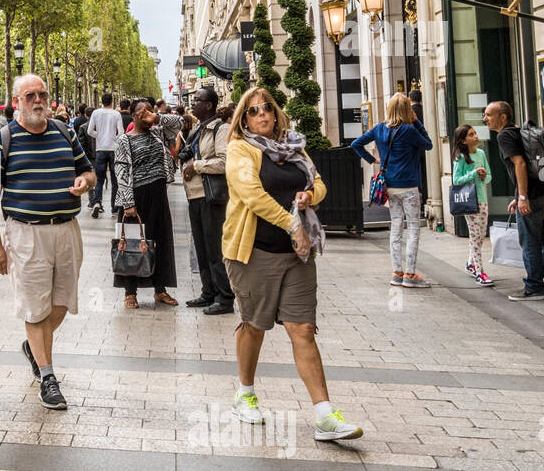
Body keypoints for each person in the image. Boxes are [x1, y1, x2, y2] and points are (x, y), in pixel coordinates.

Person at [223, 88, 362, 441]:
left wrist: (309, 195)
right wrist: (293, 224)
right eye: (254, 111)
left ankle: (324, 414)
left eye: (267, 108)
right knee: (254, 325)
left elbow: (318, 181)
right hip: (254, 251)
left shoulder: (293, 146)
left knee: (302, 329)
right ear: (244, 118)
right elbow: (251, 194)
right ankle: (245, 393)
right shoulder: (240, 148)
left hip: (296, 254)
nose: (262, 115)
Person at [0, 73, 95, 410]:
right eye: (29, 95)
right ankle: (48, 377)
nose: (37, 100)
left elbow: (89, 171)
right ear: (16, 101)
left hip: (66, 231)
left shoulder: (65, 132)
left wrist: (84, 182)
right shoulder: (4, 139)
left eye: (42, 94)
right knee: (34, 308)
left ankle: (33, 347)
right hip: (25, 233)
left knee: (60, 305)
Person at [352, 92, 434, 288]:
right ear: (408, 110)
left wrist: (373, 160)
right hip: (409, 186)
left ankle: (397, 272)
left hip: (389, 186)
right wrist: (417, 122)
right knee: (413, 228)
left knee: (396, 227)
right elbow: (428, 144)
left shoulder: (379, 128)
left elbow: (356, 144)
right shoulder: (409, 130)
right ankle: (410, 274)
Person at [484, 100, 544, 300]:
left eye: (489, 115)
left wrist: (522, 197)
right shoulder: (519, 131)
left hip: (533, 196)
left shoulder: (504, 136)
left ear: (503, 117)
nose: (485, 119)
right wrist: (517, 195)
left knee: (530, 241)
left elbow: (519, 164)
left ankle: (534, 288)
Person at [113, 98, 178, 309]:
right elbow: (121, 172)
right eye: (142, 113)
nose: (147, 115)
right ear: (133, 116)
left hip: (158, 194)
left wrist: (157, 116)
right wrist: (128, 203)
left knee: (161, 240)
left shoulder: (158, 133)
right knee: (133, 242)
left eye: (150, 111)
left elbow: (179, 123)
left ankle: (160, 289)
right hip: (136, 196)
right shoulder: (125, 140)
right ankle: (130, 292)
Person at [182, 86, 235, 314]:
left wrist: (197, 165)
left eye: (197, 100)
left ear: (209, 105)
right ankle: (208, 292)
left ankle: (225, 297)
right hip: (194, 195)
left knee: (214, 248)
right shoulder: (198, 128)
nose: (193, 103)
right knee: (201, 247)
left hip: (210, 196)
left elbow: (225, 162)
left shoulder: (220, 130)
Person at [451, 124, 493, 287]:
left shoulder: (481, 153)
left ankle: (471, 263)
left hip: (482, 199)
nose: (475, 136)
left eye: (475, 133)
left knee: (481, 235)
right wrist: (473, 173)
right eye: (471, 134)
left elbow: (489, 176)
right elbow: (456, 180)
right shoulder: (460, 157)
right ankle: (479, 271)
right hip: (469, 201)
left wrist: (483, 176)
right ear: (463, 140)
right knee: (475, 236)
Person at [86, 93, 124, 218]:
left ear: (101, 101)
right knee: (114, 180)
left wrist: (100, 136)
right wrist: (113, 138)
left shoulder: (96, 113)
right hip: (113, 149)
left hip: (100, 149)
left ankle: (97, 202)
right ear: (111, 101)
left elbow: (90, 131)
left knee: (100, 180)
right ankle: (114, 207)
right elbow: (121, 132)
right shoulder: (116, 114)